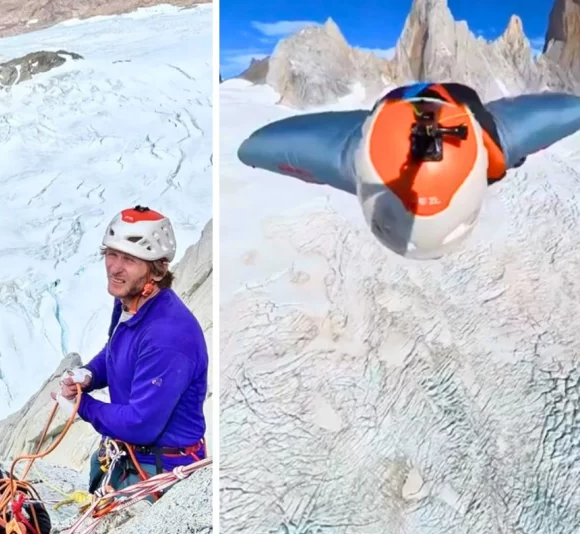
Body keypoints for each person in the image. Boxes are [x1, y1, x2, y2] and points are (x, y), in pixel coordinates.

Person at [237, 81, 580, 260]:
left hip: (409, 122)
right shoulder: (350, 157)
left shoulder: (351, 157)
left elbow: (259, 146)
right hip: (453, 121)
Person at [54, 205, 208, 495]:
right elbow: (115, 351)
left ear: (157, 269)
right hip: (128, 457)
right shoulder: (130, 302)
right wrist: (90, 374)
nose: (115, 267)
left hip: (160, 472)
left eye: (129, 259)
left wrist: (81, 406)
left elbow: (140, 424)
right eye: (111, 254)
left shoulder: (168, 336)